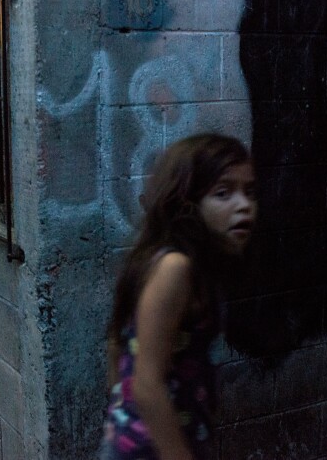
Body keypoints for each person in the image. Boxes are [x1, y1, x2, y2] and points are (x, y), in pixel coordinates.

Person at [102, 133, 257, 459]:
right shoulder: (174, 267)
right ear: (186, 202)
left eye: (249, 191)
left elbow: (118, 345)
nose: (244, 205)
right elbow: (147, 384)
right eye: (223, 193)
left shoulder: (196, 264)